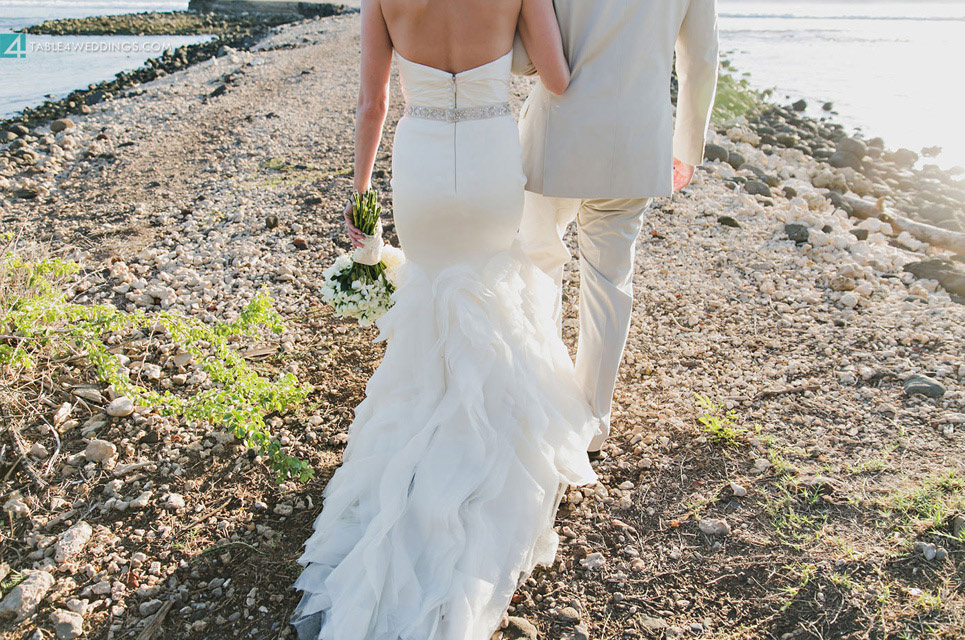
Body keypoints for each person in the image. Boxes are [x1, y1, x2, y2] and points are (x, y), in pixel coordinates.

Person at [290, 0, 601, 638]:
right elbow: (558, 79)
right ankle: (488, 436)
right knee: (491, 282)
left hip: (422, 161)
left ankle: (422, 439)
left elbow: (372, 103)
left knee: (432, 294)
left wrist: (360, 194)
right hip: (490, 156)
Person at [515, 0, 720, 458]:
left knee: (538, 262)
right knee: (610, 281)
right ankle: (591, 423)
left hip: (557, 132)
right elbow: (701, 58)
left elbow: (523, 55)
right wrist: (687, 145)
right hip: (634, 138)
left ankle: (535, 397)